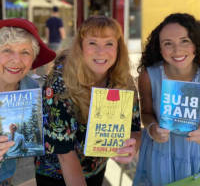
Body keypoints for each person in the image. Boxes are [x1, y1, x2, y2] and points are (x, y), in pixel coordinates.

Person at [35, 16, 141, 186]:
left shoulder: (123, 80)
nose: (101, 51)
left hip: (96, 168)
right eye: (93, 43)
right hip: (55, 172)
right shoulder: (59, 81)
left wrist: (131, 146)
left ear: (118, 48)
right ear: (81, 47)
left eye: (109, 43)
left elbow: (134, 126)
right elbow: (64, 153)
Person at [133, 13, 200, 186]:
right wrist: (152, 128)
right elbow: (146, 112)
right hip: (159, 153)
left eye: (184, 40)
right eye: (168, 43)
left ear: (196, 43)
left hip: (196, 155)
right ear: (160, 48)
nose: (177, 50)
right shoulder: (149, 75)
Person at [0, 18, 56, 186]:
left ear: (33, 59)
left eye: (25, 52)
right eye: (7, 50)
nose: (16, 60)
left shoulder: (31, 88)